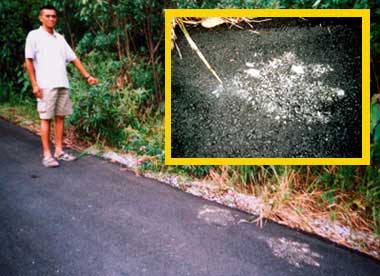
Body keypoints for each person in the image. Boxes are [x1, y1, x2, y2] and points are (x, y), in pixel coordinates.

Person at [25, 4, 98, 167]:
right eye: (47, 16)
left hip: (62, 83)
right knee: (46, 118)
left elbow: (73, 58)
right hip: (45, 85)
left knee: (60, 118)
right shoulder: (34, 36)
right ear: (41, 18)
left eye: (54, 16)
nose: (51, 19)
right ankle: (47, 155)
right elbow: (28, 61)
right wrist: (34, 85)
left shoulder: (60, 38)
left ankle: (59, 151)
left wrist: (87, 76)